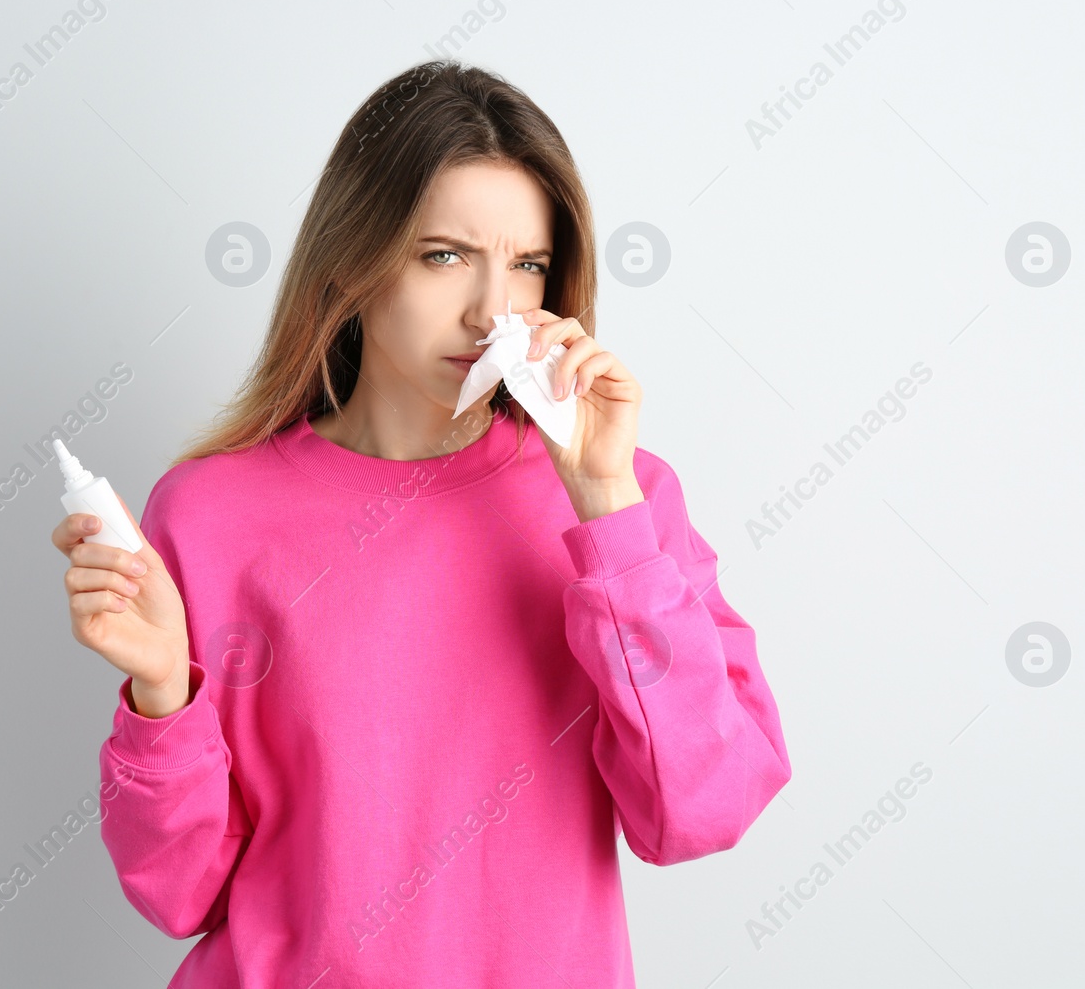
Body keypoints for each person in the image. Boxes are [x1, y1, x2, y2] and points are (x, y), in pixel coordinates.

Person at [52, 59, 792, 987]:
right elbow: (182, 896)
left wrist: (606, 508)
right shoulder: (209, 512)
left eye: (526, 265)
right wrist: (164, 689)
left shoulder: (627, 498)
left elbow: (701, 808)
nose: (492, 311)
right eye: (443, 255)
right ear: (352, 264)